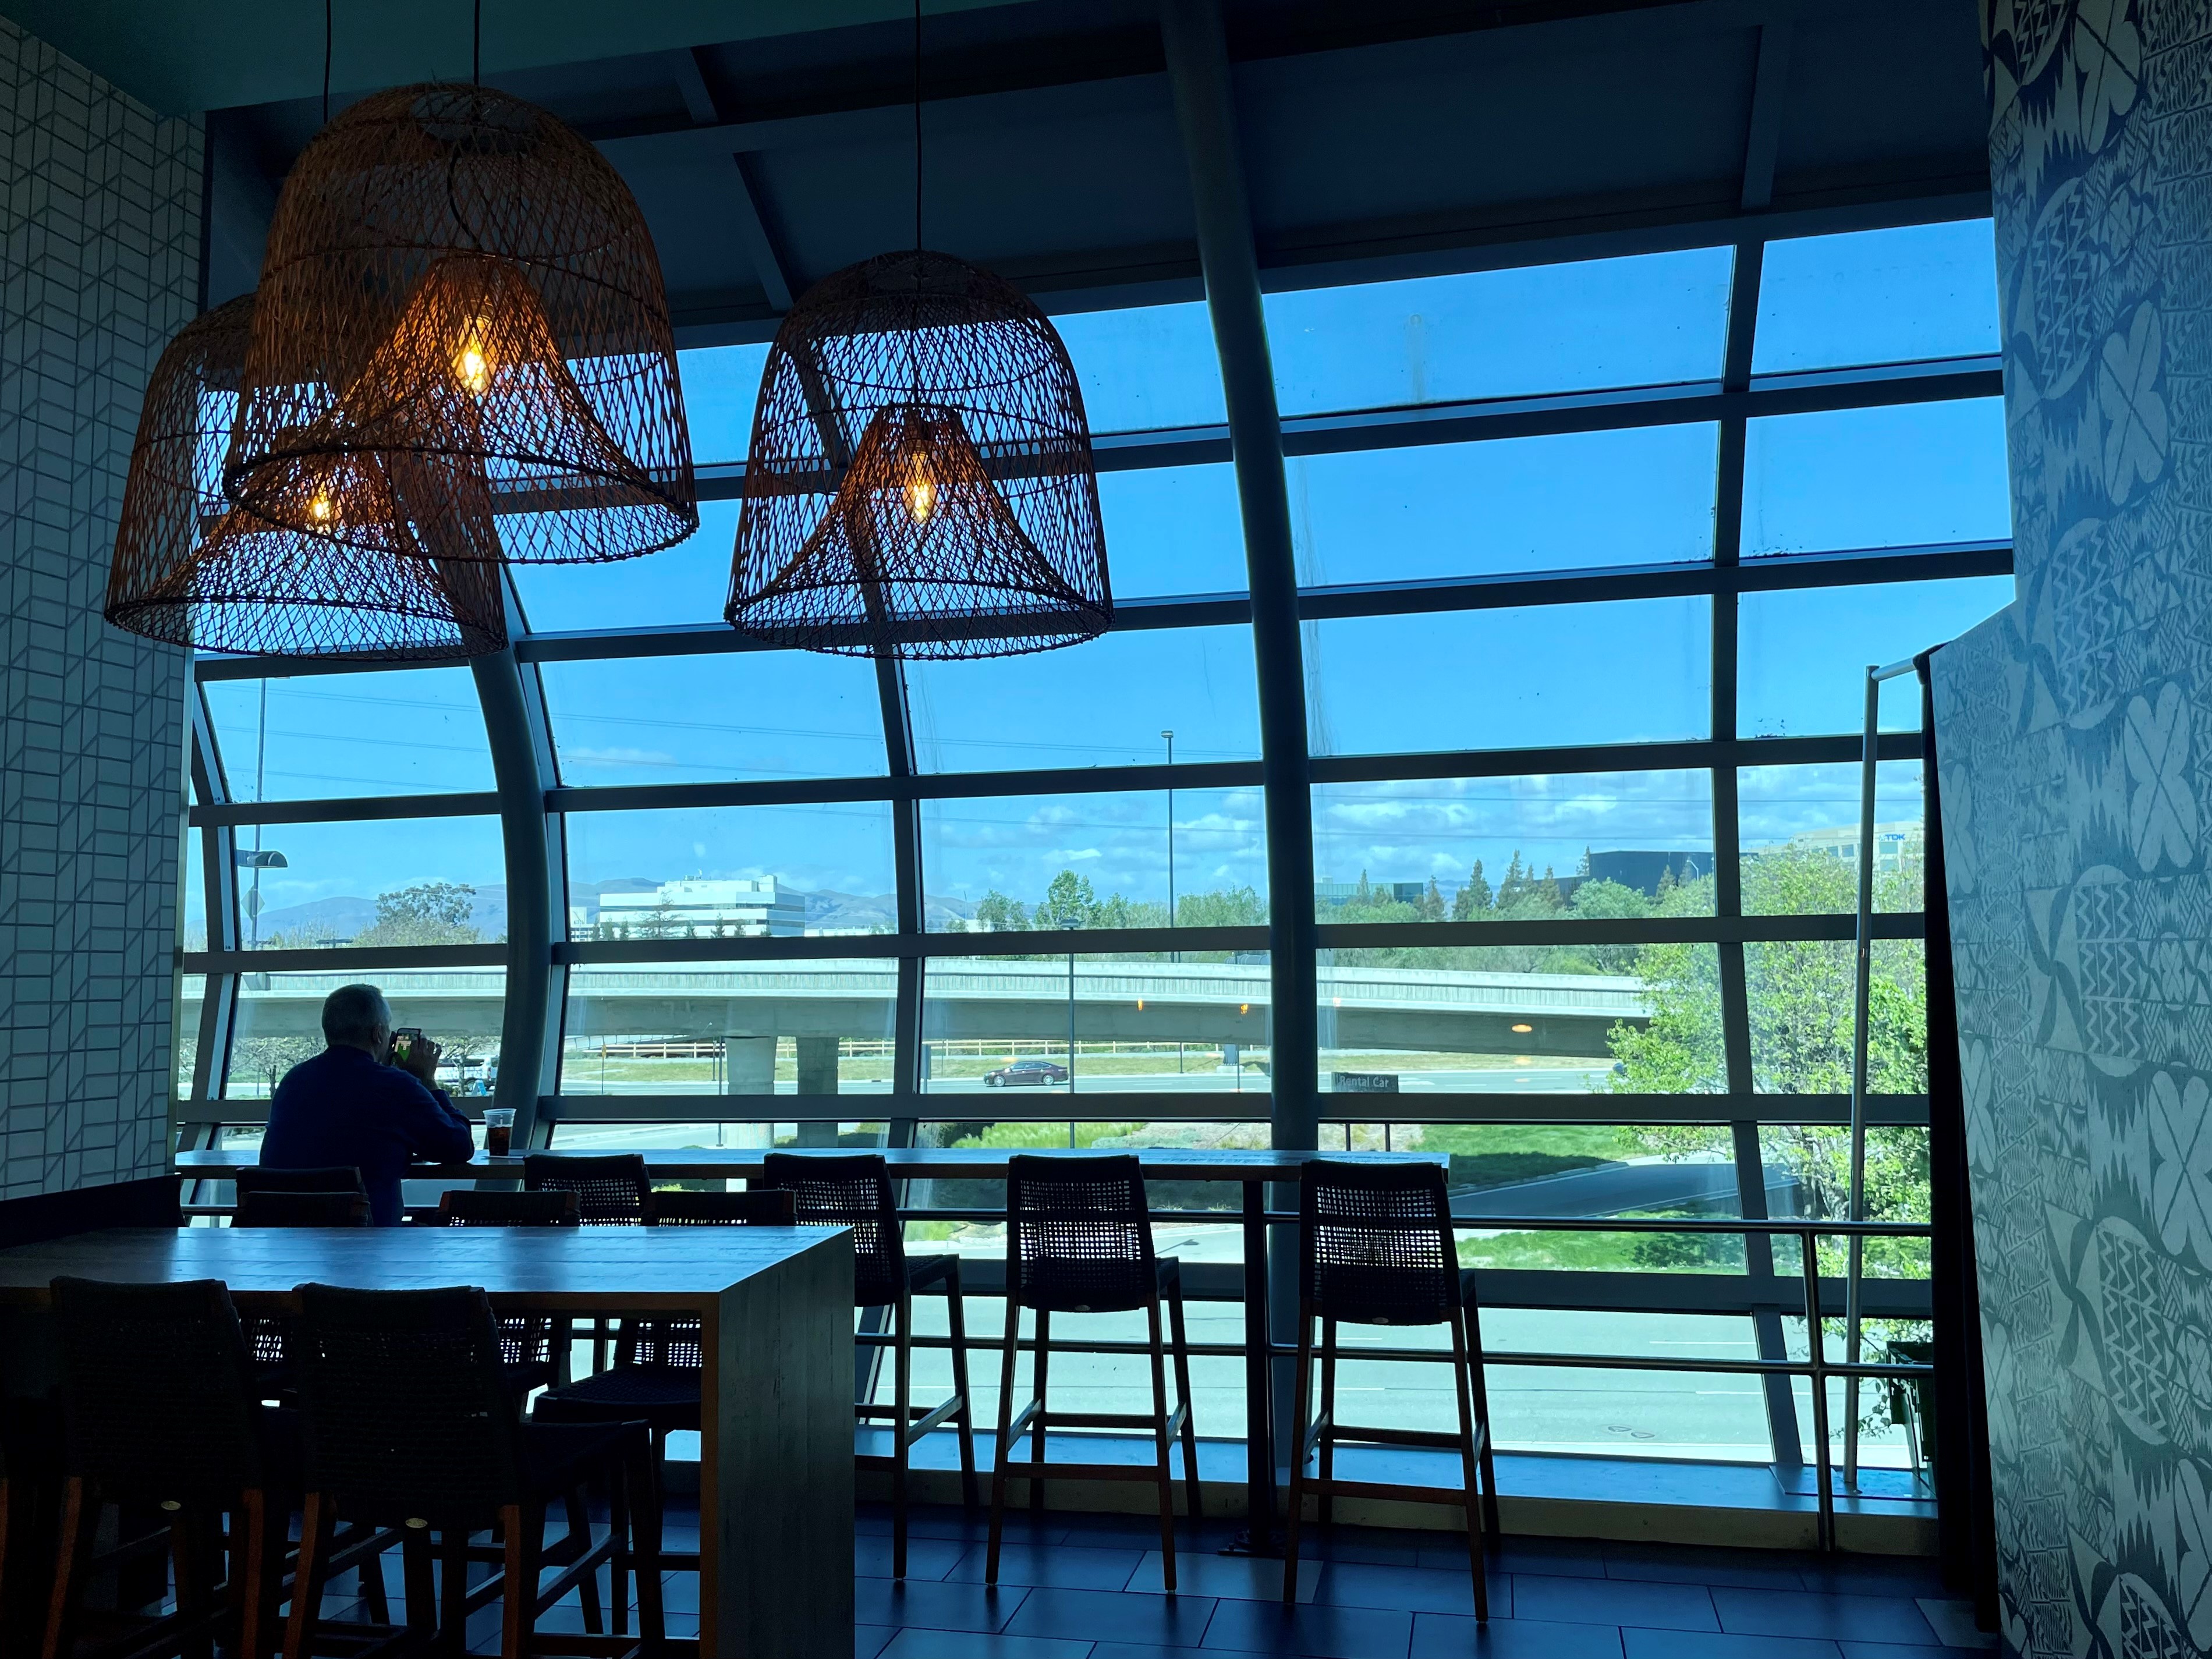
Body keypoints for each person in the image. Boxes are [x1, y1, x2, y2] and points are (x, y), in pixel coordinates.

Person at [261, 983, 476, 1225]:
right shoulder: (395, 1086)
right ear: (378, 1034)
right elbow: (459, 1147)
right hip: (367, 1240)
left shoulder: (293, 1080)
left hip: (288, 1236)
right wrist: (427, 1080)